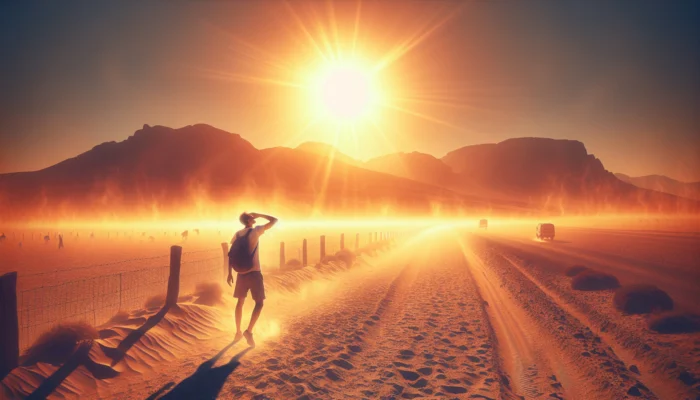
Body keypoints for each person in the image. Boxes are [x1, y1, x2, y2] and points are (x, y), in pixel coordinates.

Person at [227, 212, 277, 347]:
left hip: (241, 273)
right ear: (249, 219)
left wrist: (229, 273)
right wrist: (259, 215)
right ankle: (248, 331)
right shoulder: (256, 231)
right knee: (259, 303)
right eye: (251, 216)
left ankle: (237, 332)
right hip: (254, 272)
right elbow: (274, 220)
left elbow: (231, 255)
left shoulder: (237, 234)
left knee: (240, 302)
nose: (253, 218)